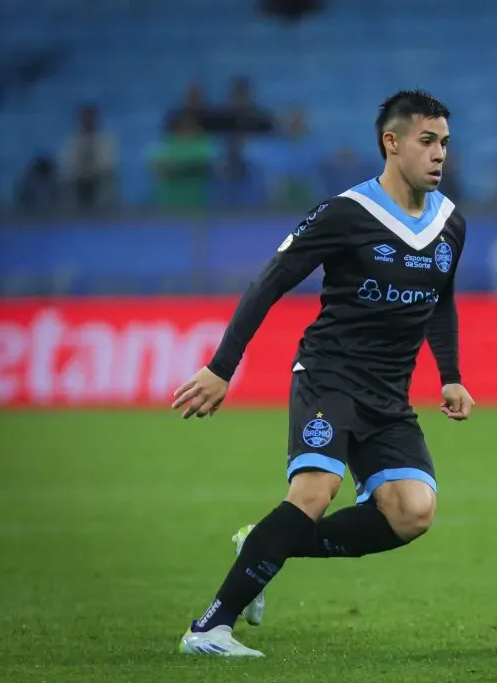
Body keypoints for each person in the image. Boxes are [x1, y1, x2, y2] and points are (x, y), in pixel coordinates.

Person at [171, 90, 475, 657]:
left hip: (388, 393)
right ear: (392, 142)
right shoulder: (346, 213)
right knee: (314, 493)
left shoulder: (450, 223)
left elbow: (441, 301)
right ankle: (209, 628)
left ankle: (262, 545)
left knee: (412, 512)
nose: (439, 155)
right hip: (330, 376)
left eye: (445, 144)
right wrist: (221, 368)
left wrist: (450, 374)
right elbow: (270, 281)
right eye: (427, 141)